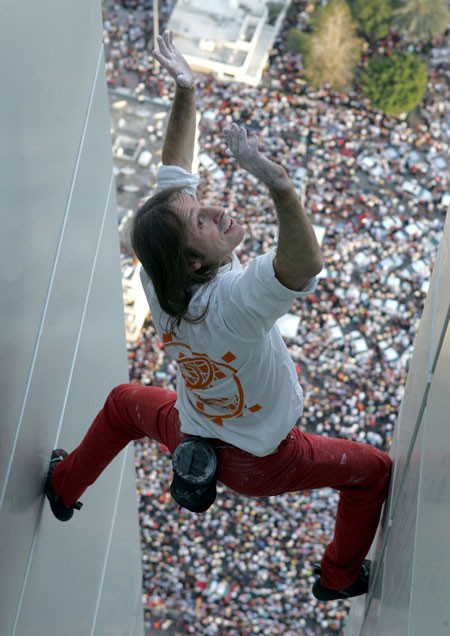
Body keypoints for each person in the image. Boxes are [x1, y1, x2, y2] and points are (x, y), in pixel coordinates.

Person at [44, 30, 392, 602]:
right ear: (196, 258)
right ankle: (338, 577)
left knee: (123, 405)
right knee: (374, 470)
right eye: (203, 219)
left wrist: (185, 89)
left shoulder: (161, 277)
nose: (214, 206)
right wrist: (278, 184)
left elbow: (175, 171)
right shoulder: (235, 298)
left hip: (191, 425)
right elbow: (303, 262)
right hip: (265, 461)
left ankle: (63, 486)